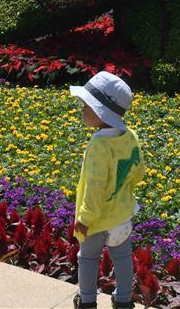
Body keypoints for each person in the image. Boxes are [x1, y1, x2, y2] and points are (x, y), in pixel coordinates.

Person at [69, 71, 145, 309]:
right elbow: (138, 170)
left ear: (101, 112)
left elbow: (94, 188)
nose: (82, 108)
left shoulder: (99, 146)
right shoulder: (130, 136)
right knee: (122, 257)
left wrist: (85, 219)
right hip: (122, 214)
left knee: (88, 258)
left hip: (96, 219)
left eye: (86, 105)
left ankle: (88, 301)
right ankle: (123, 301)